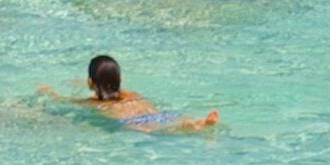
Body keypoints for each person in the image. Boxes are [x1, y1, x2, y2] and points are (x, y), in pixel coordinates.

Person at [43, 53, 218, 133]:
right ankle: (196, 123)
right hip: (158, 115)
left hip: (133, 122)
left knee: (160, 132)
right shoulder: (130, 94)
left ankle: (193, 127)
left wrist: (50, 93)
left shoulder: (96, 103)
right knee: (173, 122)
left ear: (91, 82)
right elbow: (106, 84)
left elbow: (66, 102)